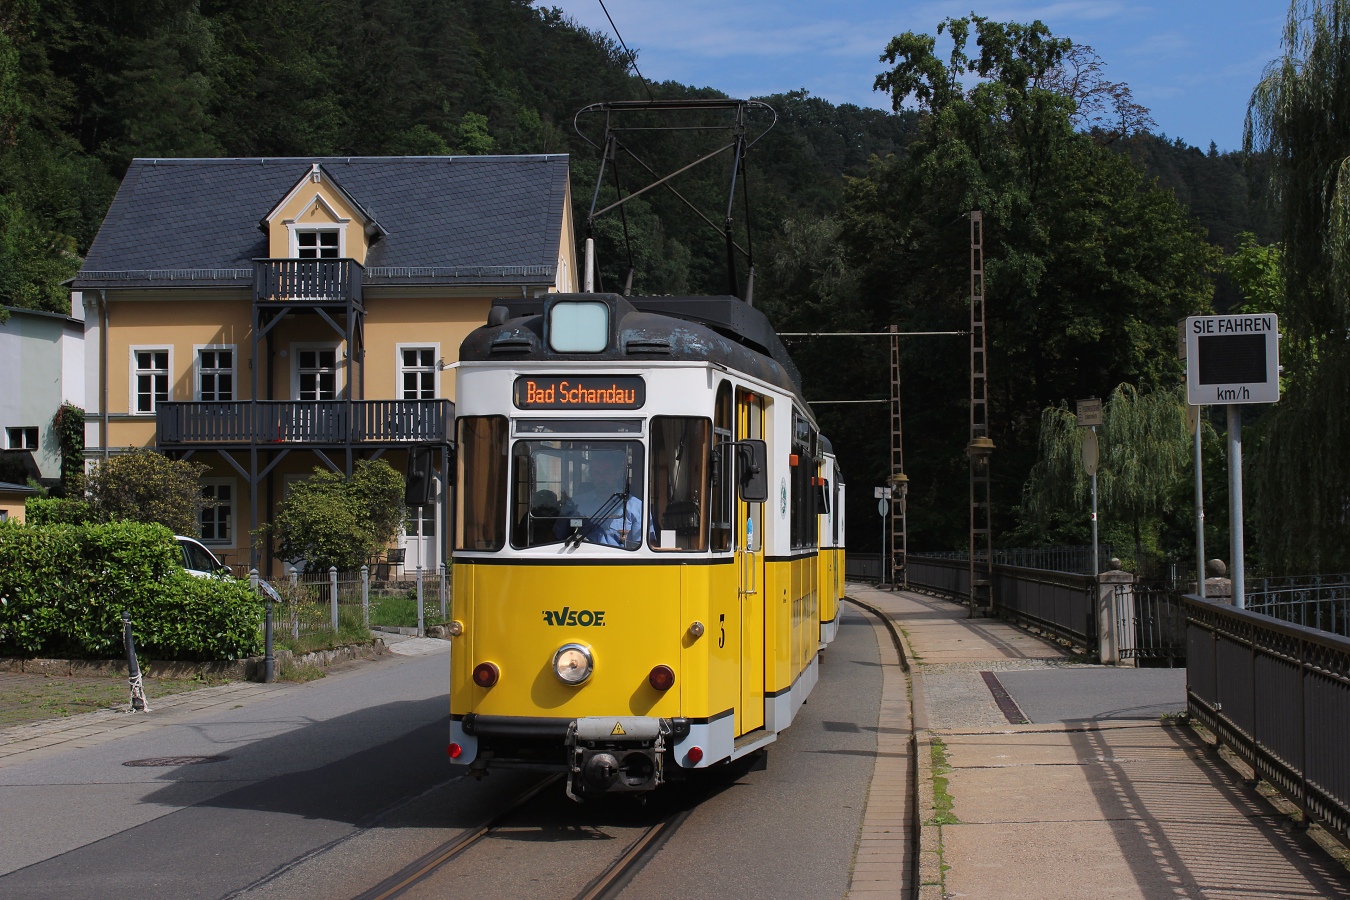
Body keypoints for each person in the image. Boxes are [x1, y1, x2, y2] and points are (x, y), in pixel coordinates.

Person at [558, 451, 643, 548]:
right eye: (597, 473)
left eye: (607, 472)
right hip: (579, 556)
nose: (602, 478)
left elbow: (641, 546)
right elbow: (558, 538)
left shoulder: (636, 507)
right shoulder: (575, 503)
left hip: (618, 559)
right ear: (591, 475)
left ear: (618, 474)